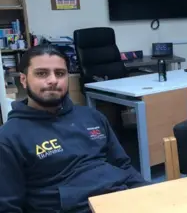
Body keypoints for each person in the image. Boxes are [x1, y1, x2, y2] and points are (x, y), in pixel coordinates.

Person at [0, 45, 148, 213]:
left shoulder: (92, 117)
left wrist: (151, 194)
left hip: (121, 200)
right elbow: (7, 207)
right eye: (41, 73)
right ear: (24, 80)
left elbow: (124, 166)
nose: (53, 80)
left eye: (60, 73)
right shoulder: (9, 138)